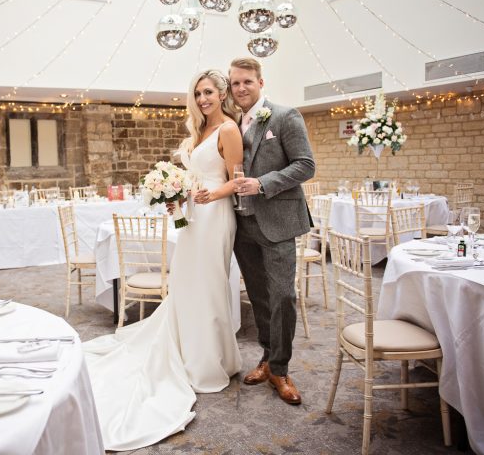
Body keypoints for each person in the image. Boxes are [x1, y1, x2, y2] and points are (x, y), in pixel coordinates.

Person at [82, 69, 244, 451]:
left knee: (208, 287)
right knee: (187, 285)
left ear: (221, 94)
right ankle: (191, 352)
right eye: (197, 93)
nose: (203, 99)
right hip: (191, 219)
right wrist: (176, 196)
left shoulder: (228, 131)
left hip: (216, 218)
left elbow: (238, 180)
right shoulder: (198, 132)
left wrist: (211, 195)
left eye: (208, 92)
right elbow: (191, 178)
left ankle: (209, 362)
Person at [228, 57, 315, 405]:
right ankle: (267, 358)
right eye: (235, 83)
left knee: (282, 297)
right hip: (242, 225)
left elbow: (305, 165)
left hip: (277, 222)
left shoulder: (284, 116)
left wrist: (262, 184)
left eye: (247, 81)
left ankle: (280, 368)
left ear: (260, 83)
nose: (240, 88)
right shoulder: (232, 122)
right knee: (259, 296)